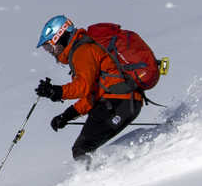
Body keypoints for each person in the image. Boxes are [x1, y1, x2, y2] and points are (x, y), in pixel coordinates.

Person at [33, 15, 144, 163]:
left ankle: (94, 181)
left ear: (59, 36)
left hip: (119, 102)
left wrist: (56, 91)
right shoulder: (80, 50)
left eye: (48, 46)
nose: (49, 52)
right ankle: (102, 175)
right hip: (122, 102)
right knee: (83, 148)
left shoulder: (82, 51)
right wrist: (67, 115)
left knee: (82, 148)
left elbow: (82, 87)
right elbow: (92, 94)